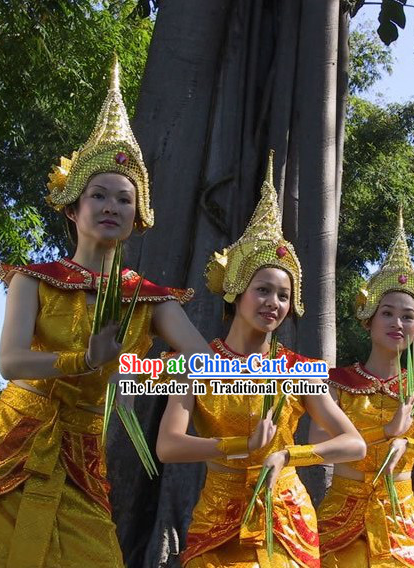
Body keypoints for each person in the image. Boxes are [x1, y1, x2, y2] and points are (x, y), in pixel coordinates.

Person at [0, 56, 212, 568]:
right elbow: (10, 361)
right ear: (73, 207)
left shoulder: (149, 298)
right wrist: (87, 359)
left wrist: (144, 371)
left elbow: (206, 362)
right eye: (98, 195)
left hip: (81, 452)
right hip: (11, 445)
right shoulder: (34, 279)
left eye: (123, 198)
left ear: (138, 218)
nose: (111, 206)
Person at [156, 151, 366, 568]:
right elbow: (167, 446)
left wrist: (290, 455)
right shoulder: (194, 363)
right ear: (236, 288)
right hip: (217, 517)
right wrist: (239, 446)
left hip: (285, 522)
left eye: (284, 295)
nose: (274, 302)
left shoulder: (297, 370)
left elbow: (354, 443)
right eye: (263, 290)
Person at [314, 210, 414, 567]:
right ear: (369, 318)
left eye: (408, 316)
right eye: (387, 313)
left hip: (399, 518)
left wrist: (410, 444)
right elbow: (317, 448)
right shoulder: (338, 382)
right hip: (340, 515)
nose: (397, 323)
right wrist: (385, 432)